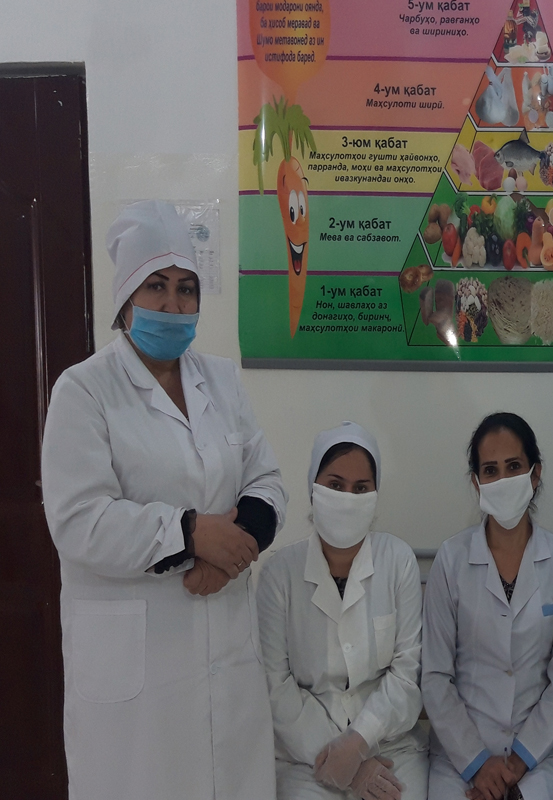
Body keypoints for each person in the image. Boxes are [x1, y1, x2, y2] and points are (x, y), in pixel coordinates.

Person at [40, 200, 286, 798]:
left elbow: (266, 481)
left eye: (186, 288)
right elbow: (79, 521)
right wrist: (191, 534)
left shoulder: (222, 380)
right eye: (157, 286)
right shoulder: (84, 390)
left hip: (225, 644)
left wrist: (233, 549)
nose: (174, 305)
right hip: (137, 677)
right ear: (126, 298)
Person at [257, 422, 428, 800]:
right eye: (335, 485)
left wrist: (359, 742)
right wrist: (346, 761)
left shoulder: (397, 560)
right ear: (313, 488)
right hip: (306, 756)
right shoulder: (279, 574)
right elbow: (275, 686)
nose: (348, 498)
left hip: (391, 746)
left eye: (361, 488)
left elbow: (407, 673)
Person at [422, 412, 553, 800]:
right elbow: (436, 677)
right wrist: (478, 764)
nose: (503, 480)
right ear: (476, 483)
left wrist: (516, 766)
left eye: (514, 467)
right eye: (490, 470)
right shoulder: (451, 559)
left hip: (537, 755)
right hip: (461, 756)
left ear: (535, 474)